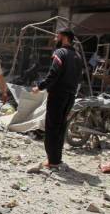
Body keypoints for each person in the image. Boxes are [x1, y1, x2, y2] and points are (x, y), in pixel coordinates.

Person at [32, 27, 82, 169]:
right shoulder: (77, 56)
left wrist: (40, 87)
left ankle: (52, 161)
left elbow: (53, 74)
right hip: (70, 96)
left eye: (56, 37)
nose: (55, 39)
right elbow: (80, 77)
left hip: (58, 96)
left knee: (52, 127)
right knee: (60, 127)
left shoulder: (60, 53)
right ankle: (57, 158)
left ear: (64, 38)